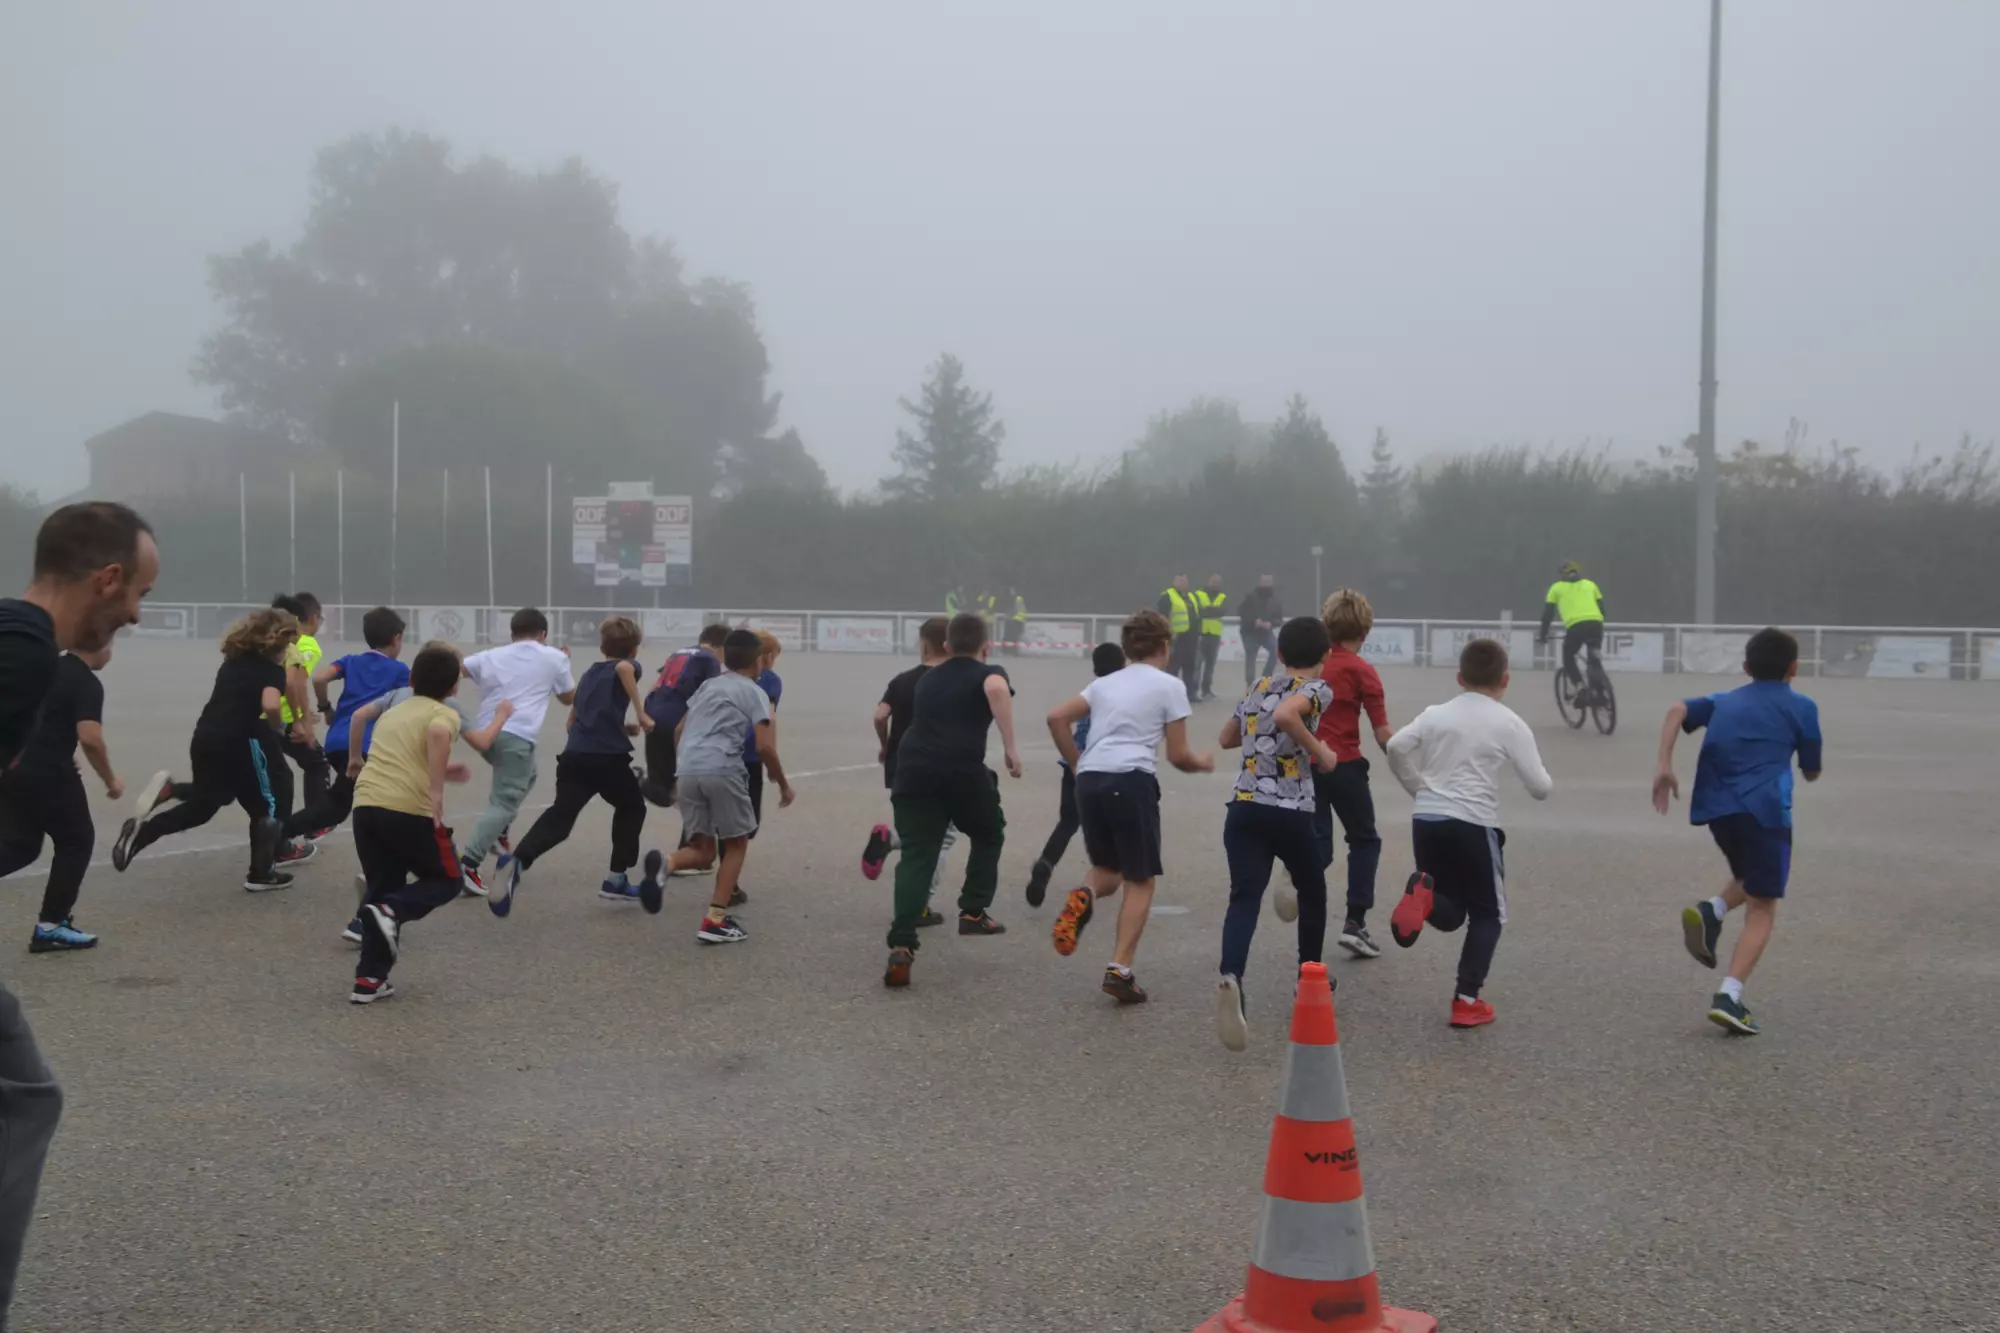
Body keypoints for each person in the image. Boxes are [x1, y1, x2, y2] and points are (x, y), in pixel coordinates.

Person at [0, 500, 157, 1324]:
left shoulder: (16, 637)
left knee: (26, 1088)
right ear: (106, 580)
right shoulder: (25, 654)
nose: (136, 613)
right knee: (24, 1095)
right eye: (136, 593)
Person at [1653, 627, 1822, 1037]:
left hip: (1716, 809)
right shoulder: (1802, 706)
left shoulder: (1723, 701)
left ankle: (1713, 911)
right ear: (1794, 668)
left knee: (1750, 874)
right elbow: (1812, 771)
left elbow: (1676, 709)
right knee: (1764, 904)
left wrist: (1664, 765)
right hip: (1765, 811)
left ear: (1745, 667)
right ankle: (1729, 996)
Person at [1046, 609, 1214, 1005]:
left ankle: (1084, 894)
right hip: (1130, 780)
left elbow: (1056, 717)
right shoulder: (1169, 686)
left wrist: (1077, 763)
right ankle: (1119, 969)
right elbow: (1177, 754)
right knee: (1140, 879)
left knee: (1108, 870)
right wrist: (1202, 763)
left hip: (1090, 781)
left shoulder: (1104, 684)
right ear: (1165, 645)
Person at [1383, 639, 1552, 1029]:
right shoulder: (1508, 722)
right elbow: (1540, 787)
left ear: (1459, 677)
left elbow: (1395, 746)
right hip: (1474, 823)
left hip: (1427, 819)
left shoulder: (1435, 714)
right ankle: (1466, 1000)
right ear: (1505, 679)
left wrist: (1419, 788)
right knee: (1489, 914)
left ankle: (1422, 896)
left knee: (1451, 910)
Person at [349, 643, 512, 1004]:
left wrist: (353, 760)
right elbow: (438, 735)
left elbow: (395, 747)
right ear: (454, 686)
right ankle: (391, 912)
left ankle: (369, 979)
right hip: (407, 809)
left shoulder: (395, 712)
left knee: (383, 885)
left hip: (366, 807)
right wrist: (437, 791)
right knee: (448, 879)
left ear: (411, 678)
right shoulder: (445, 713)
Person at [1214, 616, 1339, 1050]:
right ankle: (1309, 979)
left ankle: (1232, 975)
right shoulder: (1317, 690)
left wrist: (1256, 735)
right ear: (1326, 656)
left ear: (1280, 654)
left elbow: (1227, 737)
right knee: (1312, 891)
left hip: (1243, 807)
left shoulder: (1258, 687)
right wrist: (1320, 750)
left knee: (1244, 897)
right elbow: (1289, 716)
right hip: (1288, 809)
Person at [112, 607, 301, 891]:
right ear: (277, 643)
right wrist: (279, 727)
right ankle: (261, 873)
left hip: (206, 736)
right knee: (269, 802)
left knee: (205, 805)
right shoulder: (270, 671)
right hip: (242, 741)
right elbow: (271, 703)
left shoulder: (232, 661)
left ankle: (141, 833)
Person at [880, 612, 1022, 988]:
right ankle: (973, 911)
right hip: (959, 771)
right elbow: (995, 689)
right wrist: (1010, 748)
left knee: (917, 855)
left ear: (945, 646)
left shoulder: (928, 679)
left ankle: (903, 945)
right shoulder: (989, 671)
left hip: (911, 772)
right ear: (985, 645)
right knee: (990, 833)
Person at [637, 629, 794, 943]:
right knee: (737, 842)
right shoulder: (755, 692)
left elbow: (680, 729)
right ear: (757, 662)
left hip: (689, 768)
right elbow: (764, 746)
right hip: (722, 767)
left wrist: (682, 768)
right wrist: (783, 784)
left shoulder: (708, 686)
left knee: (702, 850)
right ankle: (715, 920)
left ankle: (666, 864)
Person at [493, 616, 654, 912]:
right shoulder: (628, 666)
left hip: (575, 756)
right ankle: (616, 878)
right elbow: (624, 668)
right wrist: (642, 714)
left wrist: (622, 728)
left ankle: (518, 861)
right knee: (633, 807)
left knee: (561, 818)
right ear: (634, 648)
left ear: (602, 645)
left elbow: (573, 721)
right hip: (606, 759)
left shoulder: (590, 674)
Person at [0, 644, 120, 953]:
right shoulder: (86, 682)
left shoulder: (44, 669)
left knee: (21, 847)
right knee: (76, 841)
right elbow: (90, 738)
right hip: (51, 773)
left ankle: (52, 925)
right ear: (100, 644)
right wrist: (110, 780)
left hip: (14, 767)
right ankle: (51, 927)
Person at [456, 607, 576, 895]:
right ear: (543, 634)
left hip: (486, 733)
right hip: (517, 736)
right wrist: (562, 663)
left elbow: (456, 667)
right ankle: (469, 864)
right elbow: (567, 698)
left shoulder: (490, 655)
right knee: (504, 801)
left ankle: (500, 832)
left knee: (530, 774)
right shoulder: (554, 657)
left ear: (512, 634)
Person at [1313, 589, 1394, 960]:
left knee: (1319, 849)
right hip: (1345, 765)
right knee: (1364, 840)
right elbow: (1382, 734)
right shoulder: (1363, 671)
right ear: (1365, 630)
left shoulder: (1313, 664)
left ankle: (1307, 914)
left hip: (1308, 764)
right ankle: (1355, 922)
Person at [860, 616, 950, 928]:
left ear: (923, 643)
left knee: (917, 831)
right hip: (941, 765)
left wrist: (886, 746)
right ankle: (921, 906)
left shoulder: (902, 680)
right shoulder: (956, 680)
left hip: (902, 764)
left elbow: (880, 716)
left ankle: (891, 839)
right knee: (943, 836)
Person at [1022, 641, 1126, 908]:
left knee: (1068, 821)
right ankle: (1100, 880)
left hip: (1075, 763)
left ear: (1094, 668)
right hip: (1106, 768)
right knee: (1113, 824)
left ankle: (1046, 864)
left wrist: (1073, 762)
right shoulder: (1124, 696)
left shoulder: (1088, 695)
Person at [310, 608, 410, 834]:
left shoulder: (350, 661)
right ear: (397, 638)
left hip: (336, 741)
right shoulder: (399, 670)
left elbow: (319, 678)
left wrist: (326, 708)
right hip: (365, 746)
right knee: (354, 807)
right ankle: (281, 829)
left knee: (355, 801)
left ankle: (287, 828)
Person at [263, 593, 327, 861]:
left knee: (222, 789)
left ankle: (172, 790)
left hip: (261, 718)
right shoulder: (307, 645)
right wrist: (301, 719)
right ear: (310, 619)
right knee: (314, 764)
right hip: (277, 720)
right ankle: (311, 824)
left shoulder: (261, 643)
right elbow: (296, 682)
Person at [639, 622, 730, 808]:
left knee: (660, 787)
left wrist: (644, 712)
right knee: (684, 787)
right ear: (720, 647)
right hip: (676, 720)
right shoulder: (709, 660)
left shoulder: (679, 652)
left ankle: (635, 781)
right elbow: (708, 694)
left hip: (654, 715)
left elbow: (657, 684)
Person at [729, 630, 785, 905]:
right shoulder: (770, 680)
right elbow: (769, 720)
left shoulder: (724, 679)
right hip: (750, 757)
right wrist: (773, 765)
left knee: (728, 823)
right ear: (765, 656)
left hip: (722, 755)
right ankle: (729, 886)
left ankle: (730, 881)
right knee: (748, 825)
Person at [1538, 560, 1606, 697]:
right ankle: (1601, 694)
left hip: (1576, 627)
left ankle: (1580, 687)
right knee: (1594, 660)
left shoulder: (1556, 588)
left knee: (1568, 657)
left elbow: (1548, 615)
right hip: (1596, 625)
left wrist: (1543, 634)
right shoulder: (1590, 584)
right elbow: (1602, 610)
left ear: (1562, 575)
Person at [1156, 574, 1200, 696]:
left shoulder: (1191, 597)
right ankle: (1171, 694)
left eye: (1185, 581)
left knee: (1190, 668)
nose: (1183, 584)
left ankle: (1189, 694)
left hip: (1191, 639)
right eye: (1180, 581)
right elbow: (1162, 617)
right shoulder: (1167, 596)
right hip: (1176, 639)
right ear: (1174, 582)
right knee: (1173, 668)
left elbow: (1196, 616)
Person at [1237, 574, 1281, 689]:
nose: (1266, 584)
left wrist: (1271, 623)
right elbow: (1241, 612)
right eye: (1264, 581)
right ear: (1260, 582)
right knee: (1251, 655)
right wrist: (1254, 621)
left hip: (1265, 632)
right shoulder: (1250, 597)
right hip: (1249, 632)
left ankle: (1265, 679)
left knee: (1275, 651)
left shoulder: (1275, 600)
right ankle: (1250, 684)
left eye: (1268, 582)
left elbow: (1279, 619)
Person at [1192, 572, 1228, 702]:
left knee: (1210, 665)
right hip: (1201, 634)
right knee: (1197, 664)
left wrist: (1208, 610)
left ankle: (1206, 690)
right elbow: (1199, 611)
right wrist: (1213, 611)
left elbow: (1223, 611)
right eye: (1214, 581)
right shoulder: (1198, 594)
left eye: (1218, 582)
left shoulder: (1223, 596)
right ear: (1208, 581)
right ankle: (1194, 690)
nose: (1216, 584)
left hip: (1215, 635)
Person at [1007, 586, 1028, 657]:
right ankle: (1016, 651)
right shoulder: (1019, 598)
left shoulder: (1017, 599)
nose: (1011, 593)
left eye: (1012, 591)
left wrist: (1009, 615)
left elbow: (1015, 610)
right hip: (1020, 620)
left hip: (1017, 620)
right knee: (1016, 637)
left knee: (1015, 637)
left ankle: (1015, 652)